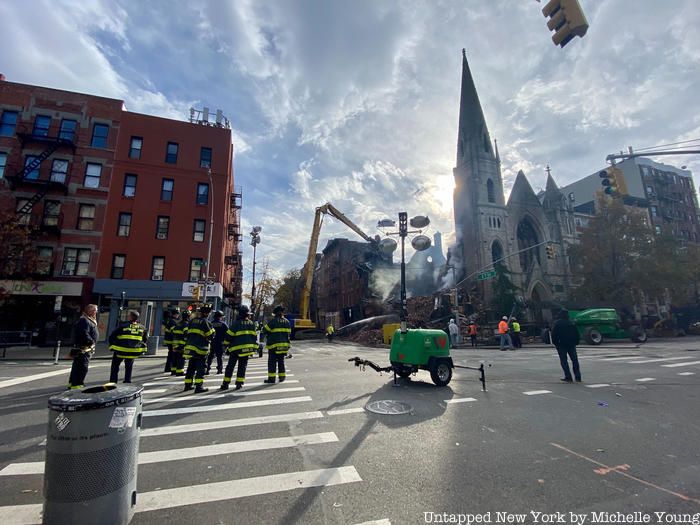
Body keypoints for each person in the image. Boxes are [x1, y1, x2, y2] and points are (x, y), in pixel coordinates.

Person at [220, 305, 257, 390]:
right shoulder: (251, 324)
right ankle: (239, 383)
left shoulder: (236, 324)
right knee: (242, 367)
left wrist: (225, 345)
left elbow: (229, 336)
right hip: (246, 351)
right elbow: (254, 337)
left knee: (230, 367)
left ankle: (225, 384)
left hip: (235, 350)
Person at [108, 310, 147, 383]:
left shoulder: (123, 326)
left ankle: (113, 382)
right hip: (133, 351)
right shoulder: (142, 328)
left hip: (120, 350)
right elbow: (145, 340)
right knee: (129, 367)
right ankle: (127, 381)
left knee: (115, 366)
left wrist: (112, 345)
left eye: (129, 315)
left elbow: (112, 336)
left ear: (130, 317)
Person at [183, 304, 215, 393]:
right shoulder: (205, 322)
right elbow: (211, 336)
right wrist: (213, 331)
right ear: (207, 313)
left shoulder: (192, 321)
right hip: (200, 349)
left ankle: (187, 385)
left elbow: (186, 333)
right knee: (201, 369)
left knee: (191, 367)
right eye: (209, 313)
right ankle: (199, 387)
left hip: (190, 348)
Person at [67, 304, 99, 389]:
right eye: (95, 310)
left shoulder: (88, 320)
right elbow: (84, 333)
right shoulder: (84, 320)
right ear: (90, 311)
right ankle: (77, 384)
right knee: (82, 367)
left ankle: (73, 382)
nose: (96, 312)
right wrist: (91, 342)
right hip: (84, 348)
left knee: (77, 366)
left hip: (85, 347)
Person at [263, 305, 292, 383]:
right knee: (281, 362)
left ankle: (271, 378)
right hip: (284, 346)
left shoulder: (273, 321)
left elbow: (265, 330)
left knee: (272, 362)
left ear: (275, 313)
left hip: (274, 346)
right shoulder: (287, 322)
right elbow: (289, 334)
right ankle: (282, 377)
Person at [551, 310, 582, 383]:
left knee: (564, 361)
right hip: (571, 344)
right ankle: (578, 376)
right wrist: (576, 342)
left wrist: (555, 343)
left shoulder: (557, 323)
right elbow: (576, 333)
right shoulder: (571, 322)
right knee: (574, 360)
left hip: (561, 344)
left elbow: (554, 334)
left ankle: (568, 376)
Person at [206, 310, 228, 375]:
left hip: (211, 343)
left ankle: (207, 369)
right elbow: (228, 333)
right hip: (220, 343)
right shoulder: (223, 324)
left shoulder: (210, 323)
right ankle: (219, 369)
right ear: (220, 317)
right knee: (219, 357)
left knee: (210, 357)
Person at [171, 309, 191, 376]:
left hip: (175, 343)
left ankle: (173, 371)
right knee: (181, 358)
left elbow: (173, 333)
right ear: (188, 317)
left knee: (175, 358)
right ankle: (179, 372)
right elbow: (186, 335)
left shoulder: (178, 323)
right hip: (181, 344)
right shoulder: (186, 324)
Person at [163, 308, 180, 375]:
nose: (178, 315)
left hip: (169, 340)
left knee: (170, 354)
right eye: (178, 314)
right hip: (172, 341)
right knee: (172, 355)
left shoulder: (170, 321)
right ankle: (169, 368)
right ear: (175, 314)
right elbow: (174, 332)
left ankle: (168, 368)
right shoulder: (173, 322)